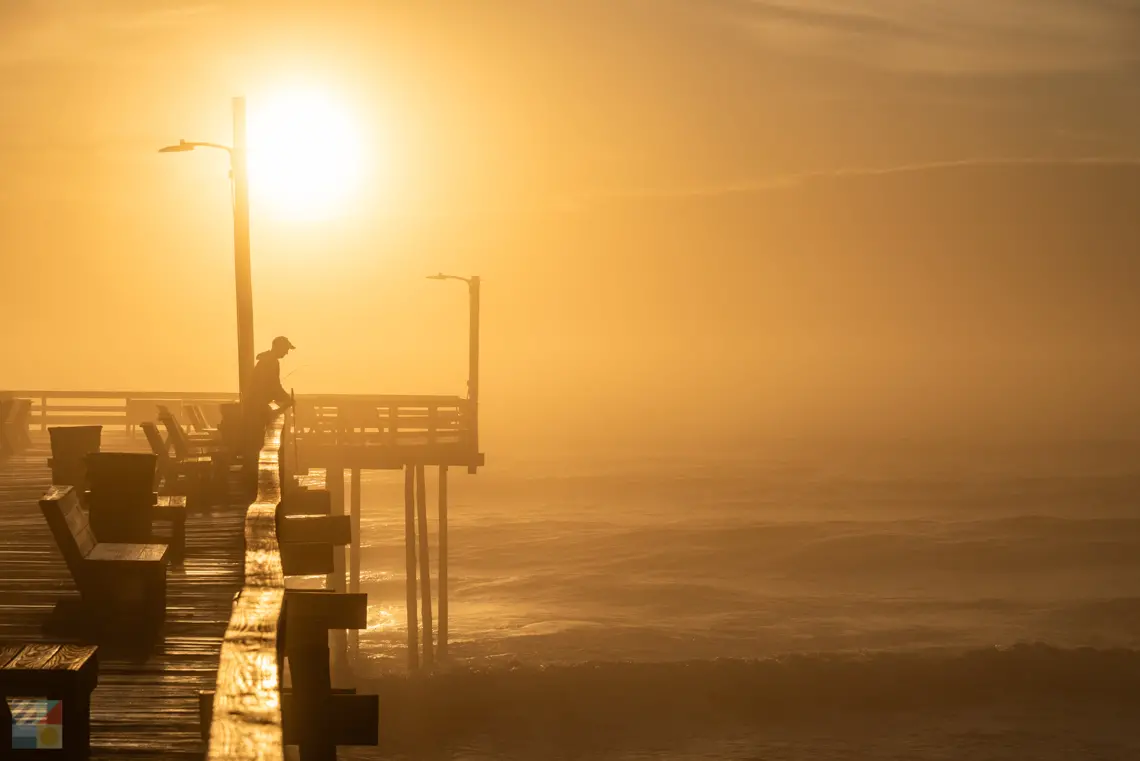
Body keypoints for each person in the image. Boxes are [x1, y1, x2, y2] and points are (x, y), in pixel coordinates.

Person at [241, 336, 295, 491]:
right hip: (255, 407)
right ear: (278, 347)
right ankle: (251, 480)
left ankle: (251, 477)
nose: (286, 353)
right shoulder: (271, 362)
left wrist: (282, 398)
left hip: (255, 405)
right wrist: (286, 399)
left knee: (255, 442)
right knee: (255, 442)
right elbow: (273, 386)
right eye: (285, 349)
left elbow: (272, 387)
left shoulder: (266, 361)